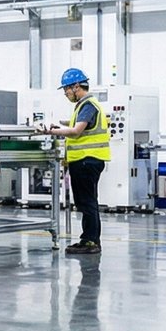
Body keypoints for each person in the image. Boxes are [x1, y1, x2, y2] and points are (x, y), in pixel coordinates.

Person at [47, 67, 108, 255]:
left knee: (87, 202)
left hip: (86, 161)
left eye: (66, 89)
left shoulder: (88, 105)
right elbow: (76, 127)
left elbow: (76, 131)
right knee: (86, 201)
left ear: (76, 87)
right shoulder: (85, 105)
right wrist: (60, 125)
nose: (65, 93)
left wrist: (50, 131)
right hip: (85, 161)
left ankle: (90, 241)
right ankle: (88, 239)